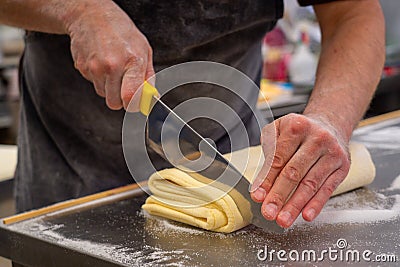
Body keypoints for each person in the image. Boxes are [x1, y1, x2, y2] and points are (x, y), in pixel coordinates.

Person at [0, 0, 384, 229]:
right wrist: (79, 9)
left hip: (231, 157)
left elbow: (353, 13)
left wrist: (331, 117)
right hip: (69, 170)